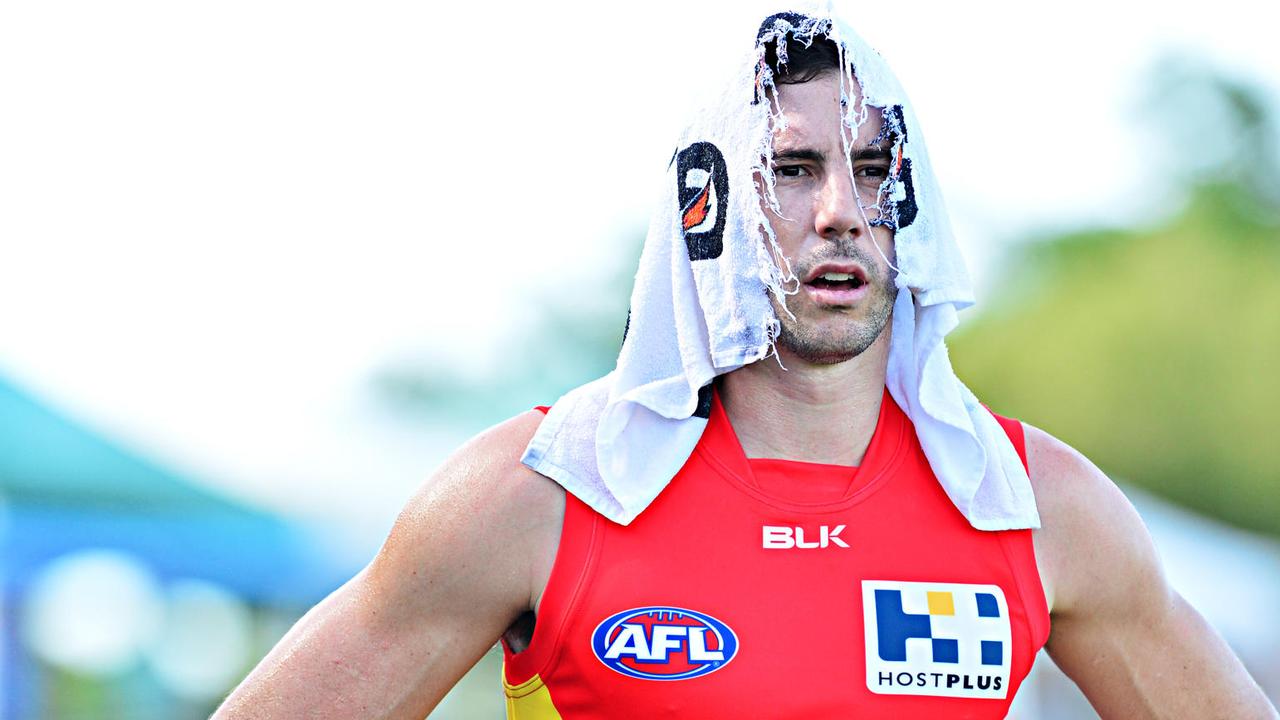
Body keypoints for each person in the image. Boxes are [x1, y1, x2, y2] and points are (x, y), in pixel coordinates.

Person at [215, 10, 1277, 720]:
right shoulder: (539, 493)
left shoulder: (1031, 507)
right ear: (705, 208)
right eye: (791, 169)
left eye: (870, 169)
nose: (839, 213)